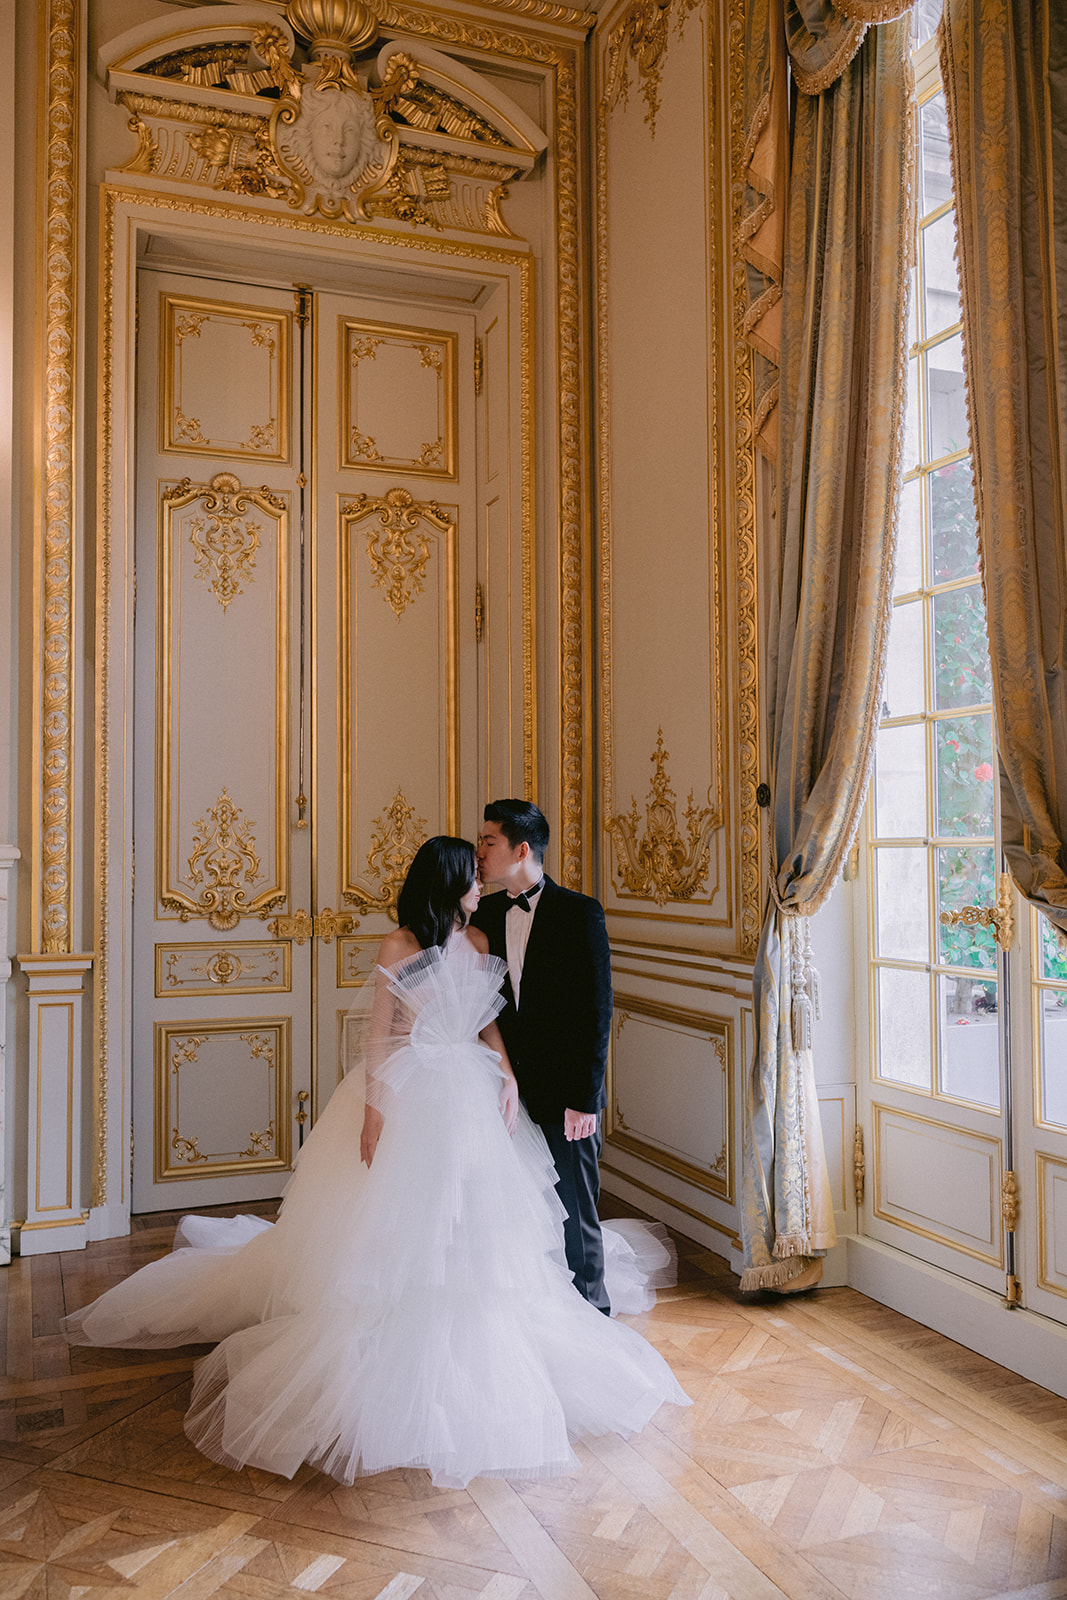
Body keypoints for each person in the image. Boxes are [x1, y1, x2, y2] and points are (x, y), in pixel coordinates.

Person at [62, 837, 688, 1490]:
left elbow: (485, 1020)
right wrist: (372, 1112)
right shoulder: (399, 947)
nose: (481, 888)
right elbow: (381, 1033)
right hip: (413, 1087)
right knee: (399, 1214)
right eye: (472, 880)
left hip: (470, 1092)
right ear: (447, 885)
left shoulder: (473, 946)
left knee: (481, 1215)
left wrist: (504, 1075)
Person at [472, 800, 613, 1312]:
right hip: (500, 1087)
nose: (479, 853)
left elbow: (598, 1014)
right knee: (505, 1208)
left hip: (563, 1093)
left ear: (521, 848)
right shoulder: (482, 914)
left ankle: (595, 1313)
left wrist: (584, 1099)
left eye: (488, 842)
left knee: (575, 1210)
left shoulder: (580, 913)